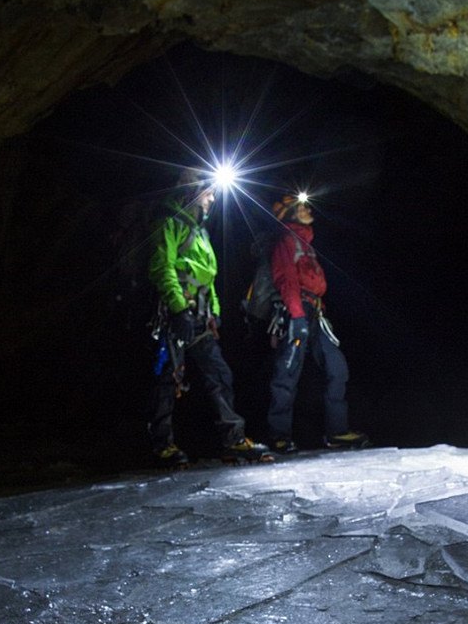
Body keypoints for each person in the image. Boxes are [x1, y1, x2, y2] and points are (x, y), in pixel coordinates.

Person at [147, 169, 270, 467]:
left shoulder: (199, 229)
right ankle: (161, 445)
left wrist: (213, 311)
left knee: (219, 374)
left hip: (200, 316)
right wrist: (178, 310)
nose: (213, 199)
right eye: (209, 193)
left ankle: (234, 440)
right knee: (167, 379)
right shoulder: (169, 221)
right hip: (176, 315)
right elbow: (162, 267)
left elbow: (208, 275)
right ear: (193, 193)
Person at [265, 193, 369, 454]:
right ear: (290, 213)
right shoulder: (287, 240)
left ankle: (337, 432)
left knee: (337, 368)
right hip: (296, 311)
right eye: (301, 207)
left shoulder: (305, 242)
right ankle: (279, 436)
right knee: (287, 373)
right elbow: (285, 279)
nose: (307, 209)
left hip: (315, 312)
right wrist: (297, 316)